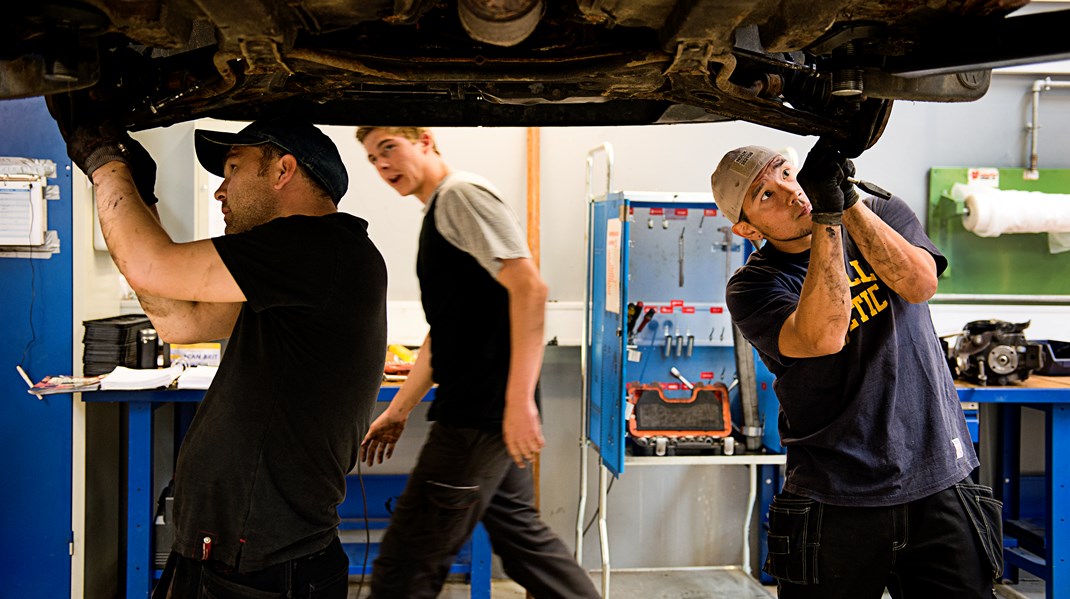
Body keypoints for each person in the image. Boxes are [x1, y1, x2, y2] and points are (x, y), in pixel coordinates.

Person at [48, 92, 387, 599]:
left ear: (283, 170)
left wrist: (105, 161)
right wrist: (143, 196)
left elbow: (151, 266)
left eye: (232, 169)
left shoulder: (319, 247)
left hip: (265, 567)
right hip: (231, 556)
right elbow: (179, 319)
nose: (220, 192)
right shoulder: (299, 263)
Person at [710, 143, 1003, 598]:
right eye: (765, 195)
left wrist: (847, 203)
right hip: (834, 495)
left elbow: (920, 283)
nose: (790, 192)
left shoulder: (881, 211)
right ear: (747, 228)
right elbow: (824, 335)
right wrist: (828, 220)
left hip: (937, 477)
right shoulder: (754, 287)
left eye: (787, 173)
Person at [355, 126, 599, 599]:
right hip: (488, 412)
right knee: (524, 542)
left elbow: (531, 289)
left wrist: (517, 402)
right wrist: (398, 409)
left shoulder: (459, 196)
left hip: (477, 417)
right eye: (372, 159)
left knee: (405, 567)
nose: (383, 165)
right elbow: (445, 333)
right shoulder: (440, 211)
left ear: (424, 141)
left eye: (390, 148)